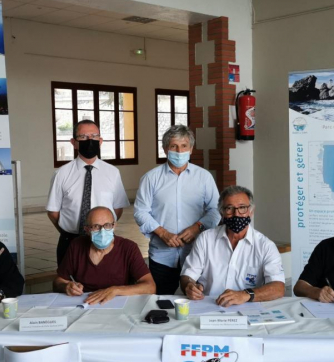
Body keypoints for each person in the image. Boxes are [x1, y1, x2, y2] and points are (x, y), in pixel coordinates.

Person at [134, 125, 219, 295]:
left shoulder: (204, 177)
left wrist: (197, 227)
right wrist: (162, 232)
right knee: (161, 303)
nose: (179, 151)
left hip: (197, 253)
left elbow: (215, 210)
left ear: (191, 149)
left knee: (197, 299)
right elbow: (140, 212)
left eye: (184, 146)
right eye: (174, 146)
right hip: (161, 256)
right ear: (165, 149)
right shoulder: (151, 178)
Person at [180, 185, 285, 307]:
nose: (236, 214)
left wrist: (245, 295)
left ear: (251, 211)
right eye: (229, 208)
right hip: (208, 306)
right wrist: (189, 286)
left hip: (248, 309)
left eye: (242, 208)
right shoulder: (205, 239)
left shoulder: (265, 246)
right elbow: (187, 276)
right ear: (222, 212)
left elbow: (278, 288)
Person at [46, 120, 130, 265]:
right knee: (69, 284)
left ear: (101, 140)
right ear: (74, 142)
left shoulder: (112, 172)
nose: (89, 140)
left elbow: (117, 208)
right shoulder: (62, 173)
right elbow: (53, 211)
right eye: (83, 137)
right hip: (71, 239)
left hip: (104, 239)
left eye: (94, 136)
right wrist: (67, 231)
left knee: (106, 281)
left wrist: (102, 229)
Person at [54, 206, 155, 305]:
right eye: (96, 226)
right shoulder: (77, 246)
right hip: (86, 304)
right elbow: (58, 281)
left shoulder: (128, 248)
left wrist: (115, 290)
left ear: (114, 226)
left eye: (107, 225)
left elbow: (150, 287)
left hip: (118, 305)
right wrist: (66, 286)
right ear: (87, 229)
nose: (102, 231)